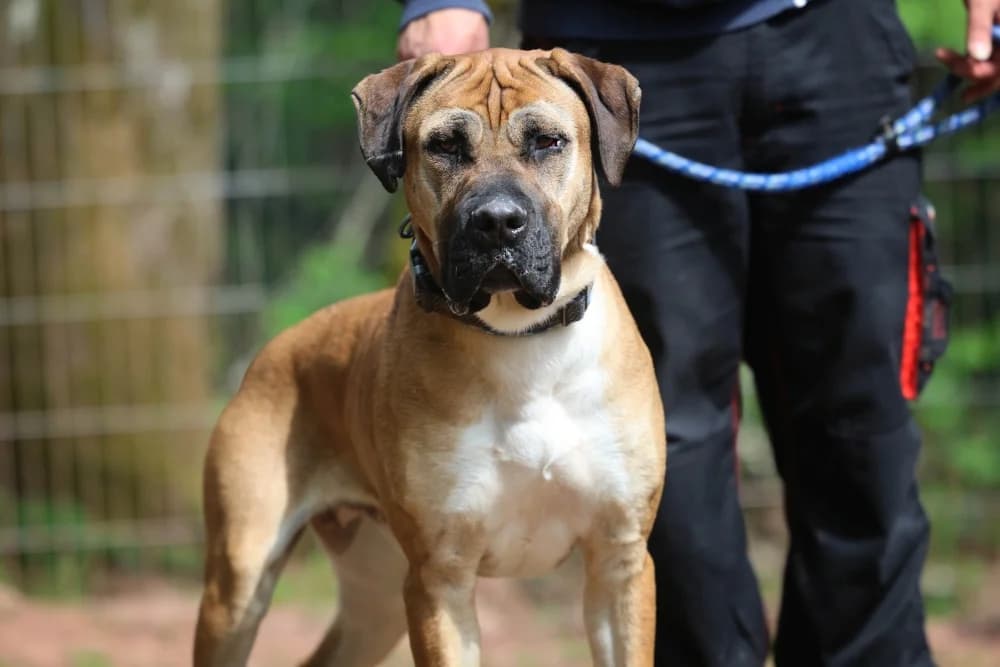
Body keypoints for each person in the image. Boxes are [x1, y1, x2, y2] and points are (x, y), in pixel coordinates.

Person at [395, 1, 1000, 665]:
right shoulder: (577, 90)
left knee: (862, 418)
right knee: (671, 435)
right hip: (618, 35)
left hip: (835, 33)